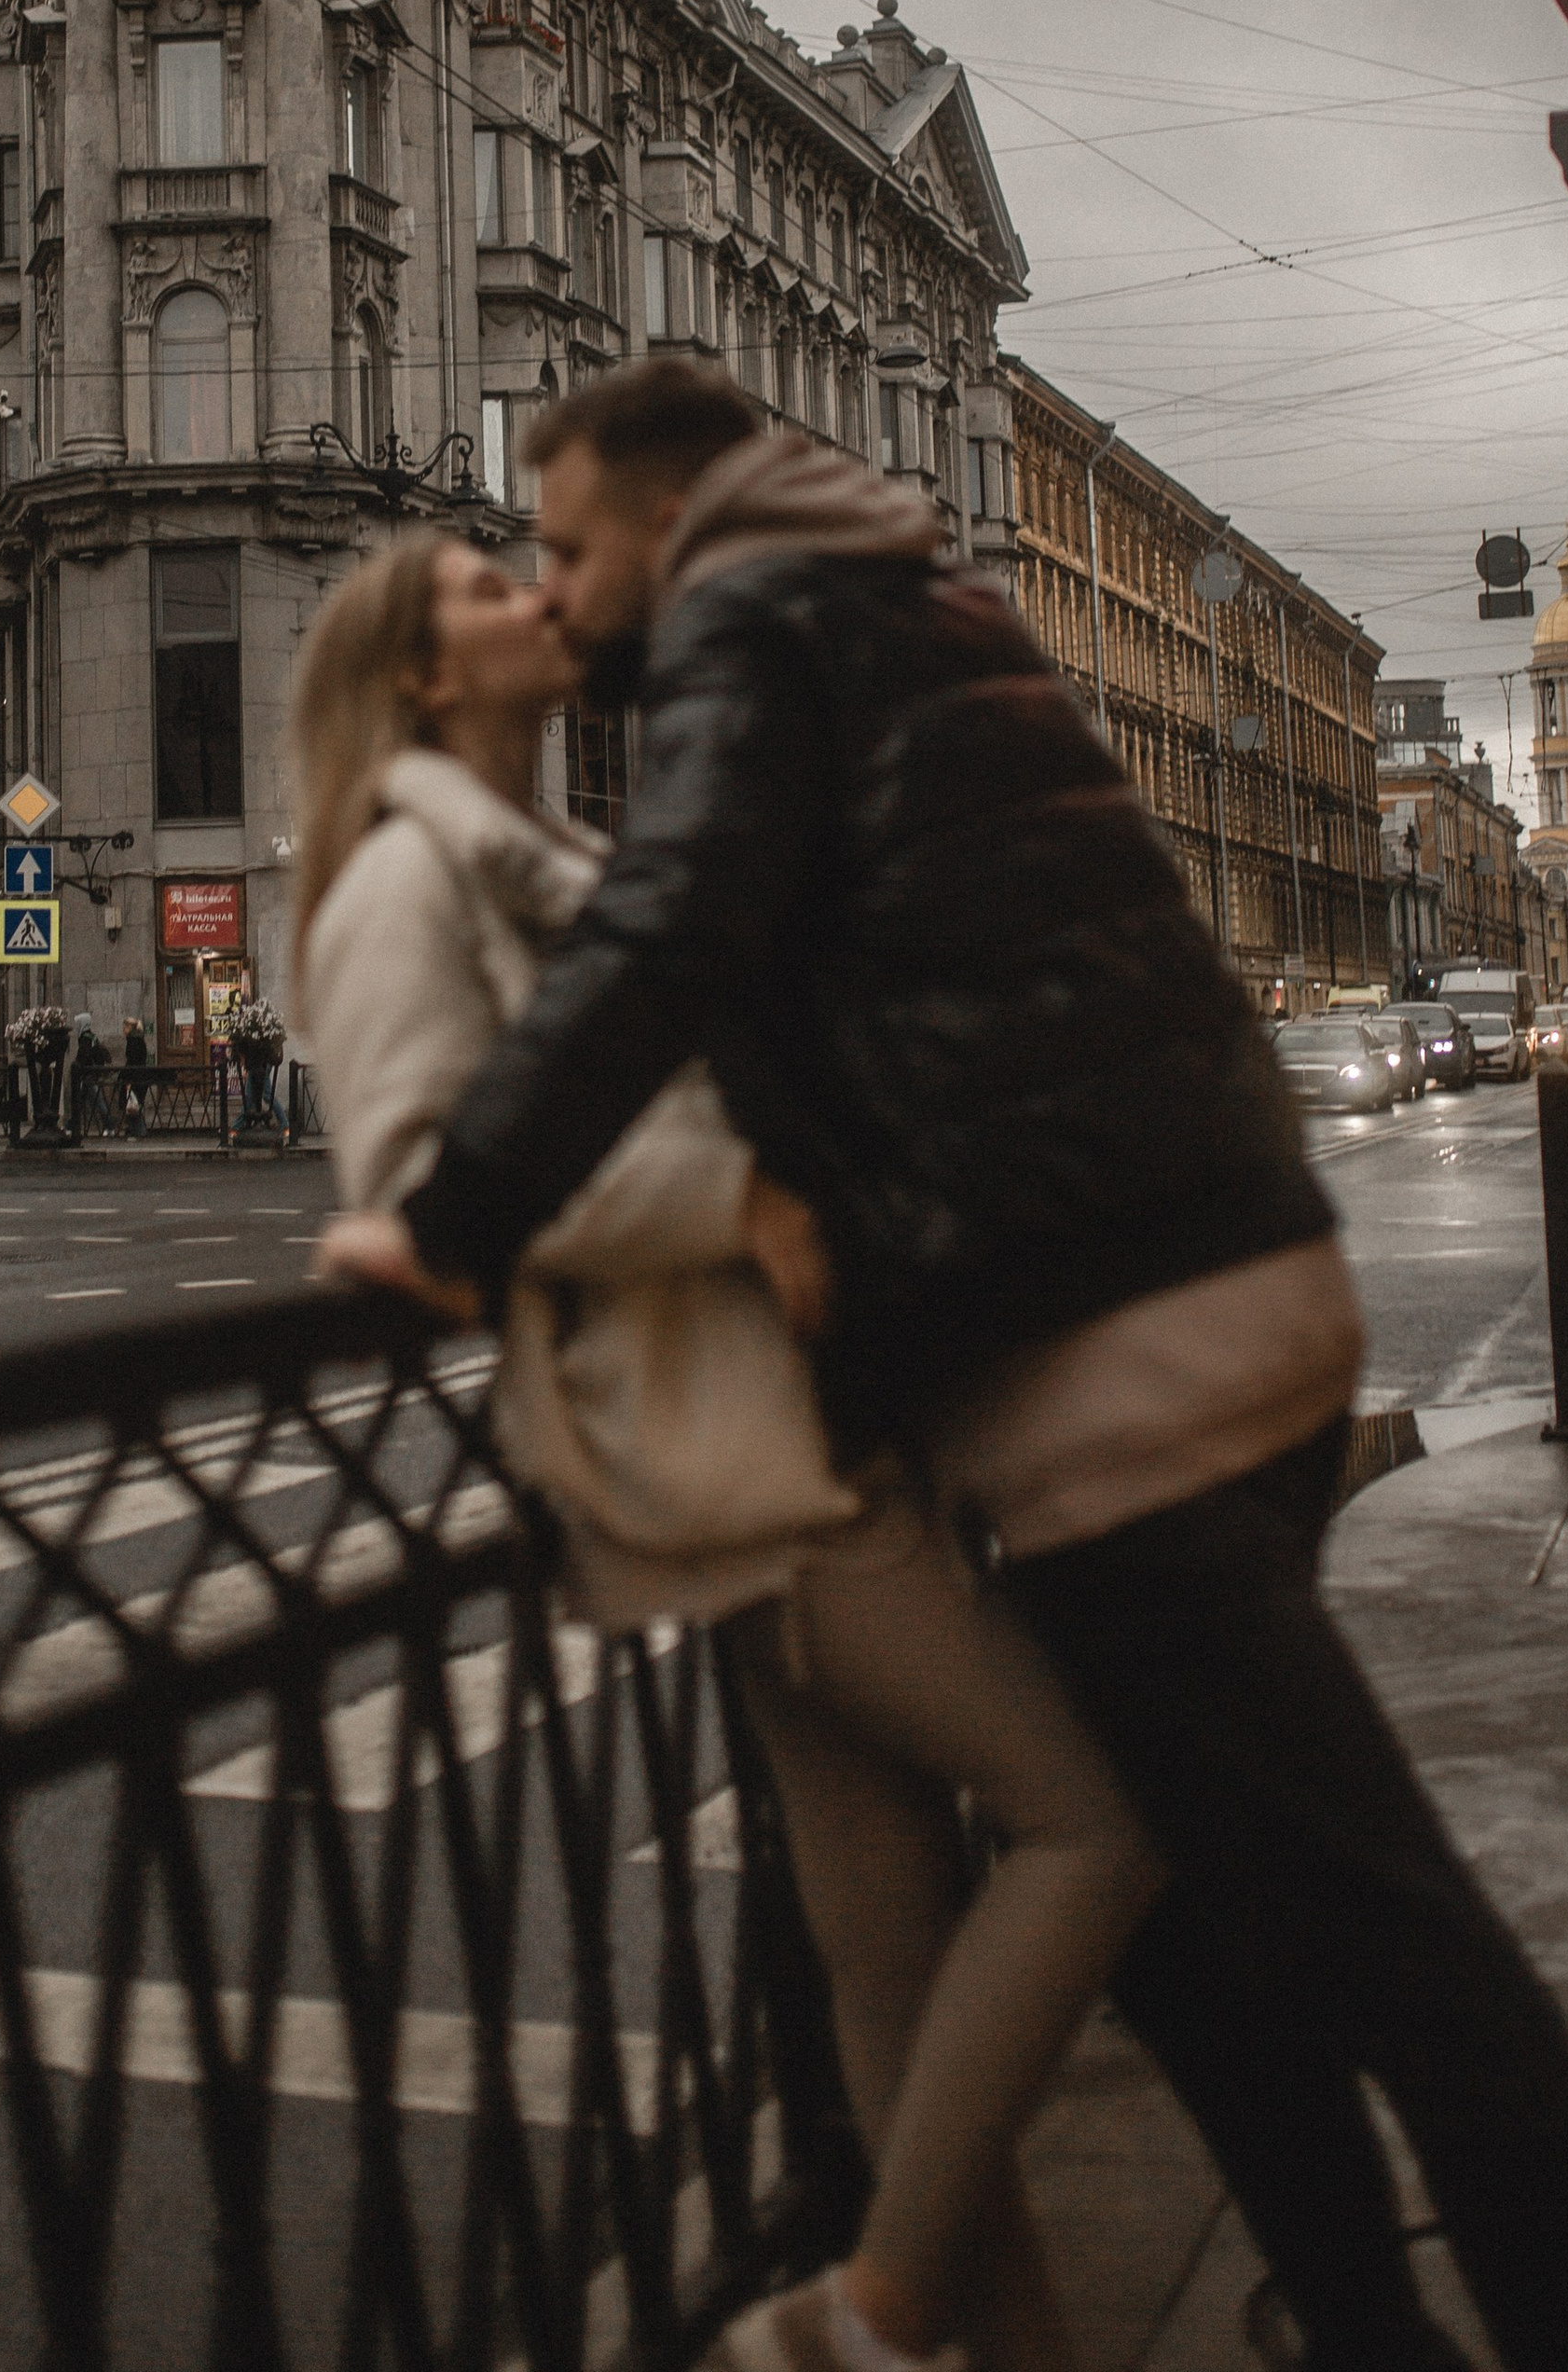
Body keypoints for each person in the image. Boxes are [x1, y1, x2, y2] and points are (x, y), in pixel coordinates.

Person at [324, 360, 1568, 2372]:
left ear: (661, 515)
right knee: (1200, 1941)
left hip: (1114, 1368)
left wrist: (444, 1222)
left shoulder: (751, 618)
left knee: (1387, 1945)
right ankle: (1347, 2318)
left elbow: (675, 931)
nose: (555, 582)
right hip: (1196, 1297)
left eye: (565, 541)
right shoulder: (909, 597)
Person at [299, 530, 1161, 2372]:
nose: (525, 585)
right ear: (419, 679)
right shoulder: (400, 880)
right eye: (471, 587)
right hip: (718, 1440)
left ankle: (995, 2349)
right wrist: (729, 1195)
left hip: (779, 1405)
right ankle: (862, 2317)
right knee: (1093, 1823)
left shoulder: (552, 860)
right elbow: (413, 1175)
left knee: (888, 1940)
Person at [120, 1014, 150, 1138]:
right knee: (134, 1104)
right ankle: (135, 1129)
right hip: (140, 1076)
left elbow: (132, 1061)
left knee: (133, 1104)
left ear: (129, 1027)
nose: (123, 1030)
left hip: (135, 1077)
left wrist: (128, 1080)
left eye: (124, 1027)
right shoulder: (138, 1039)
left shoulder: (133, 1041)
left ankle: (139, 1130)